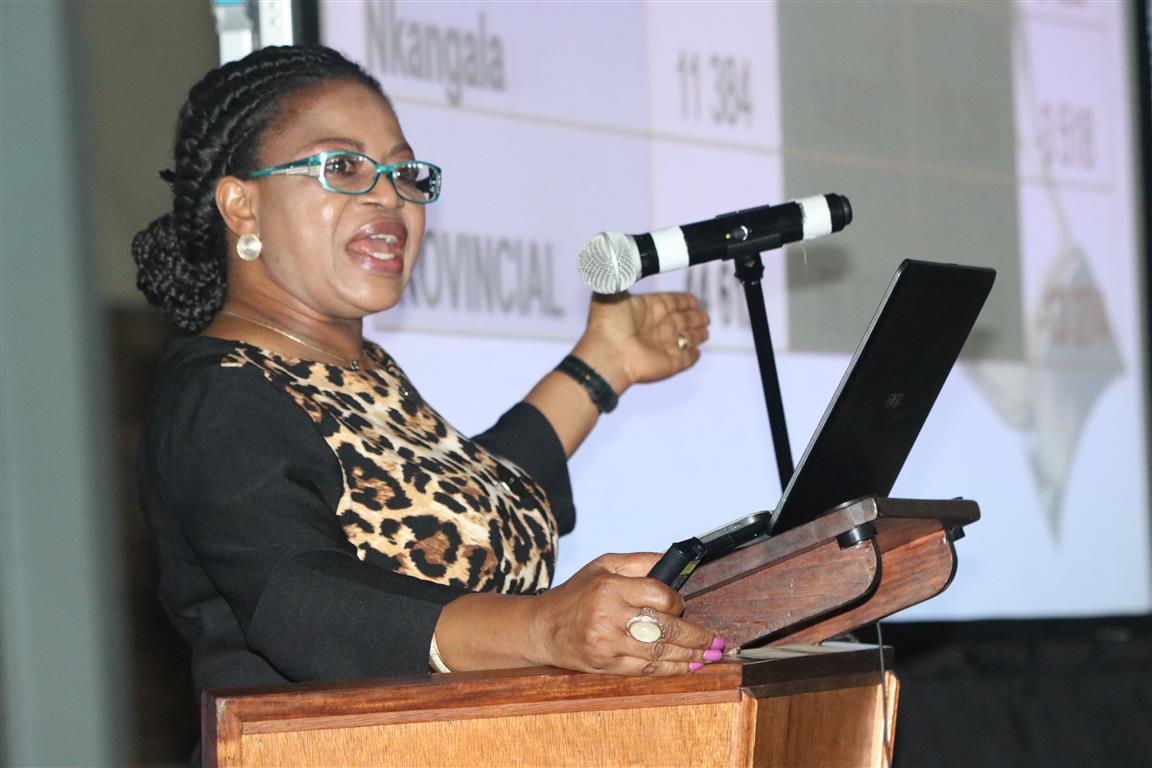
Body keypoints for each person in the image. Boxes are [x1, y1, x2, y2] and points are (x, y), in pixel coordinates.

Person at [133, 44, 721, 700]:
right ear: (242, 206)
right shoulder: (221, 394)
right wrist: (541, 628)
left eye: (405, 172)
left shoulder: (361, 370)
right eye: (343, 166)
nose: (390, 193)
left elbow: (470, 504)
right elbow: (301, 600)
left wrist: (603, 364)